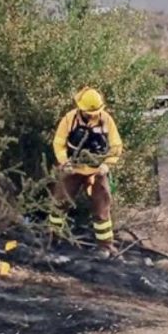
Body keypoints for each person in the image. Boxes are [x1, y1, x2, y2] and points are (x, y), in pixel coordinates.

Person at [50, 87, 123, 251]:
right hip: (72, 170)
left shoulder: (106, 120)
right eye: (89, 112)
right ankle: (52, 239)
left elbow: (116, 146)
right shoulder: (69, 120)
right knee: (60, 203)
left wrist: (107, 164)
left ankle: (105, 246)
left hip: (97, 171)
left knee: (102, 207)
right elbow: (58, 143)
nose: (93, 115)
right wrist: (64, 162)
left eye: (96, 112)